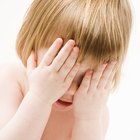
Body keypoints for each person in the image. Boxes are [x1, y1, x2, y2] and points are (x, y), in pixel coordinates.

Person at [0, 0, 132, 140]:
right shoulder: (12, 80)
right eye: (60, 70)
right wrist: (39, 98)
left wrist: (87, 119)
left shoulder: (94, 111)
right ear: (32, 43)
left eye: (85, 79)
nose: (71, 90)